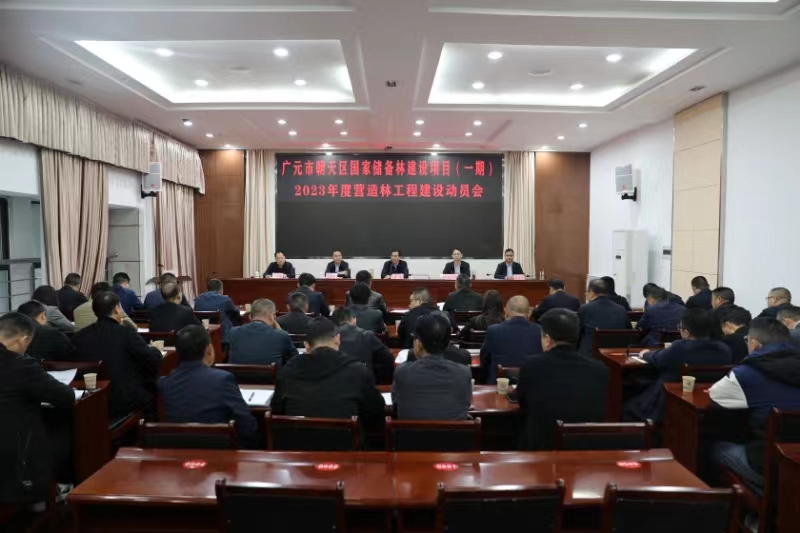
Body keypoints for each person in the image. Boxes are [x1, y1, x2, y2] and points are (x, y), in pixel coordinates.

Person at [709, 318, 800, 495]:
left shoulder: (746, 372)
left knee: (718, 448)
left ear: (754, 343)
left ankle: (765, 499)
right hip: (795, 460)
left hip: (769, 463)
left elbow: (715, 399)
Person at [0, 312, 74, 505]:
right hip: (12, 461)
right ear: (23, 339)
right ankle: (45, 491)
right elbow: (65, 396)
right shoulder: (20, 364)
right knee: (56, 425)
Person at [271, 317, 385, 432]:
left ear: (307, 345)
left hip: (296, 440)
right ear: (338, 339)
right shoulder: (357, 370)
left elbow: (276, 409)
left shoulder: (289, 370)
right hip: (345, 441)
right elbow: (376, 411)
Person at [516, 309, 609, 449]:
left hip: (543, 448)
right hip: (587, 448)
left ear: (547, 340)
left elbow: (523, 405)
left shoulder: (531, 367)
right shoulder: (600, 369)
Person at [624, 308, 731, 423]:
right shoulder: (724, 350)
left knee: (628, 406)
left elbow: (657, 359)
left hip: (669, 404)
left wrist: (645, 354)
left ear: (686, 333)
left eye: (680, 328)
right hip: (711, 405)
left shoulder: (680, 348)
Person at [158, 325, 258, 447]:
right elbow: (247, 425)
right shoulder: (223, 379)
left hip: (176, 450)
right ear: (209, 350)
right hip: (219, 450)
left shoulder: (165, 383)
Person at [72, 292, 162, 419]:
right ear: (116, 309)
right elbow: (151, 358)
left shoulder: (81, 336)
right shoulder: (125, 332)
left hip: (92, 398)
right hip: (123, 400)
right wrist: (156, 351)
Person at [393, 313, 472, 420]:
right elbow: (465, 406)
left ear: (419, 343)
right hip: (453, 431)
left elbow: (396, 407)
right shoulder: (464, 373)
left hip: (411, 431)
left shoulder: (402, 372)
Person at [480, 296, 542, 383]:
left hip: (499, 385)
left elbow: (484, 359)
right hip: (531, 384)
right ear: (529, 312)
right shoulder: (540, 331)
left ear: (506, 311)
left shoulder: (494, 330)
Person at [332, 307, 394, 385]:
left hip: (336, 383)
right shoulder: (367, 335)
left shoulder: (328, 338)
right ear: (354, 320)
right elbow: (388, 357)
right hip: (364, 383)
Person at [228, 299, 298, 366]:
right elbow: (296, 360)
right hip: (271, 374)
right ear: (272, 316)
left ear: (250, 317)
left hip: (237, 374)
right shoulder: (281, 336)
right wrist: (280, 331)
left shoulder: (233, 332)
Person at [577, 278, 631, 354]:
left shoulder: (585, 308)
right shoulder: (621, 309)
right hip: (616, 353)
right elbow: (628, 330)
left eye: (587, 291)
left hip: (591, 353)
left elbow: (577, 332)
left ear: (591, 292)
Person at [194, 279, 242, 344]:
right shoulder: (225, 299)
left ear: (207, 289)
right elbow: (236, 313)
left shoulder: (198, 299)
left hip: (202, 337)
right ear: (221, 290)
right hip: (223, 337)